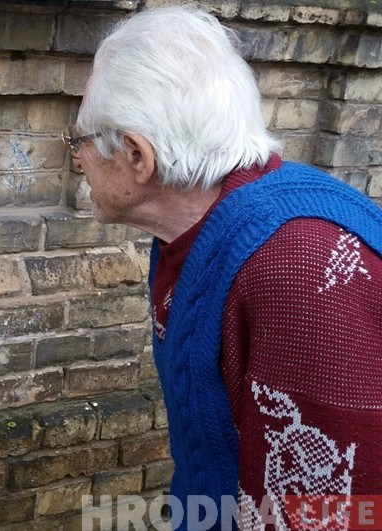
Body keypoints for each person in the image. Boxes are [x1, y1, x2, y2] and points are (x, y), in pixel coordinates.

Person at [65, 5, 382, 530]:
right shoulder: (188, 230)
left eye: (80, 141)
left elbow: (338, 513)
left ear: (137, 157)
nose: (77, 158)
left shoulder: (303, 271)